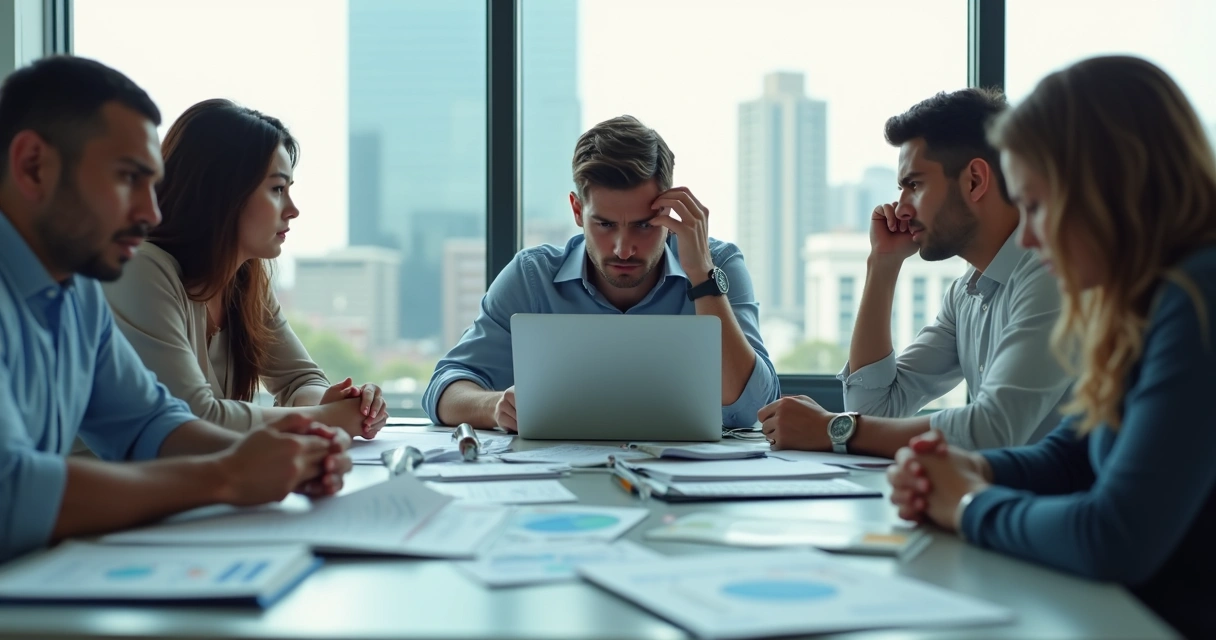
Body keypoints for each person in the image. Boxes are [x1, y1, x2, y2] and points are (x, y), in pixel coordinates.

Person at [888, 56, 1216, 638]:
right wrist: (971, 467)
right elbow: (1072, 455)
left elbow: (1116, 536)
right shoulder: (1140, 301)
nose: (1031, 236)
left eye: (1037, 205)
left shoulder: (1201, 298)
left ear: (1111, 188)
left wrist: (966, 504)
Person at [0, 56, 352, 563]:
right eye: (127, 178)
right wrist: (227, 475)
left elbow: (150, 424)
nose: (152, 212)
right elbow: (12, 492)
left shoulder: (76, 292)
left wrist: (285, 455)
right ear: (34, 166)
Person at [759, 89, 1072, 457]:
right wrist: (882, 265)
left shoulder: (1052, 275)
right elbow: (875, 410)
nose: (900, 208)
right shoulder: (965, 295)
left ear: (974, 180)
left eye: (915, 185)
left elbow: (994, 429)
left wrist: (831, 429)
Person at [423, 115, 779, 430]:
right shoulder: (533, 277)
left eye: (643, 225)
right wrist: (495, 407)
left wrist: (702, 275)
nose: (623, 248)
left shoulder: (718, 265)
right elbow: (445, 388)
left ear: (669, 212)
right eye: (605, 224)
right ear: (577, 211)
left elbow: (752, 407)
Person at [102, 99, 387, 439]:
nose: (293, 210)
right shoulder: (141, 271)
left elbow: (299, 379)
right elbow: (192, 418)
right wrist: (326, 417)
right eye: (277, 189)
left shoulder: (245, 280)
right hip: (105, 488)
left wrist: (340, 402)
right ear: (222, 192)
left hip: (188, 485)